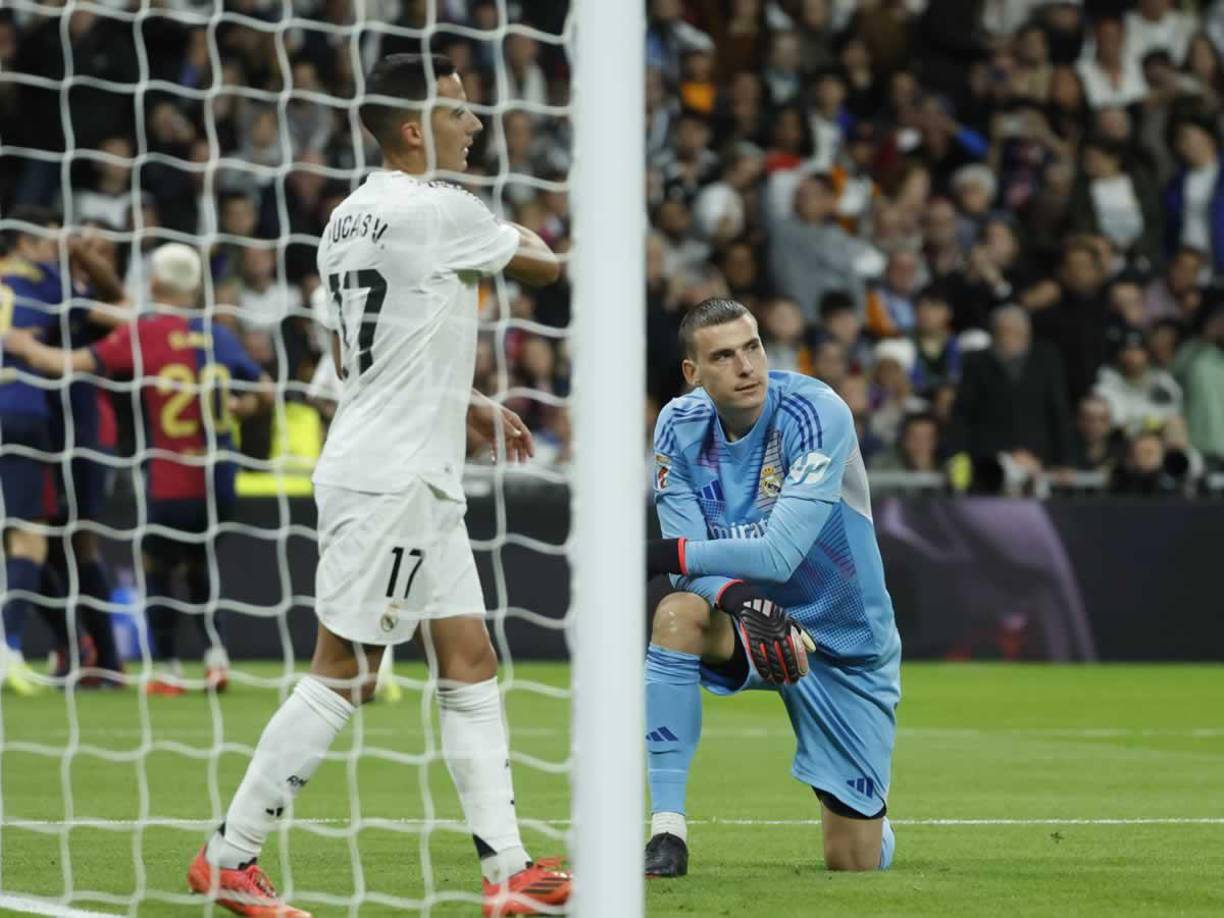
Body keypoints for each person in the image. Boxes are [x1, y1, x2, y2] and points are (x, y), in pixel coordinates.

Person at [198, 54, 561, 917]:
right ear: (413, 128)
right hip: (392, 476)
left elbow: (362, 349)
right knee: (348, 672)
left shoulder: (344, 219)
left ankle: (508, 869)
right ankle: (230, 854)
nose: (475, 126)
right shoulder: (440, 209)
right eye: (460, 112)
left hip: (407, 466)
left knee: (469, 658)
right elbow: (544, 265)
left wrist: (463, 397)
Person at [642, 297, 900, 878]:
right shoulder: (678, 425)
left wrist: (658, 555)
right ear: (694, 373)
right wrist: (737, 598)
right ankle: (666, 832)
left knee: (852, 863)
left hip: (844, 644)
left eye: (753, 347)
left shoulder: (815, 412)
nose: (746, 366)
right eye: (724, 355)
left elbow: (779, 556)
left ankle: (872, 823)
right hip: (750, 624)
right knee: (678, 612)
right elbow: (688, 571)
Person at [4, 242, 271, 696]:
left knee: (158, 567)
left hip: (170, 477)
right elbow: (265, 391)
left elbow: (71, 364)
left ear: (153, 284)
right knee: (200, 560)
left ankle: (166, 668)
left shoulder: (146, 333)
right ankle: (215, 657)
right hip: (220, 476)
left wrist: (23, 344)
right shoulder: (217, 334)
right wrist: (231, 408)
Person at [0, 207, 125, 695]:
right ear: (30, 243)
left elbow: (118, 308)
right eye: (55, 240)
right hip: (34, 417)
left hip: (78, 433)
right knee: (36, 540)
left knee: (64, 541)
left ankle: (94, 655)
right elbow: (125, 311)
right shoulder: (47, 282)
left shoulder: (45, 282)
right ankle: (48, 646)